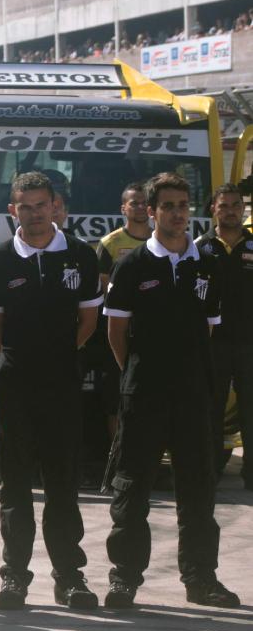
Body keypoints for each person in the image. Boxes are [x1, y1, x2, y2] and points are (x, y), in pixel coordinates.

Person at [101, 172, 239, 608]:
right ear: (151, 210)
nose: (177, 213)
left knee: (198, 491)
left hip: (194, 395)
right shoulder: (132, 266)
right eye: (168, 206)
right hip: (143, 394)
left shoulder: (207, 265)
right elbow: (116, 333)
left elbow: (209, 330)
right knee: (132, 489)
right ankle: (124, 579)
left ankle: (201, 580)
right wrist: (140, 375)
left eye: (183, 205)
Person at [0, 173, 102, 610]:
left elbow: (88, 322)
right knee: (14, 487)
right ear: (13, 211)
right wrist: (22, 359)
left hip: (62, 384)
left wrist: (60, 356)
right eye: (24, 206)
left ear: (56, 206)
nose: (33, 213)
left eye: (40, 204)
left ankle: (70, 578)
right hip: (15, 386)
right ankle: (14, 578)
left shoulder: (82, 256)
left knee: (63, 485)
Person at [196, 183, 253, 488]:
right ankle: (211, 469)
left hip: (249, 343)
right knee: (211, 408)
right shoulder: (199, 247)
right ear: (213, 209)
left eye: (236, 205)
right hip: (212, 343)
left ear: (243, 209)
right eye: (224, 205)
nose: (230, 210)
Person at [93, 182, 153, 441]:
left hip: (155, 330)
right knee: (117, 396)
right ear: (123, 208)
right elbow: (104, 289)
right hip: (121, 331)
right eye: (134, 203)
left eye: (143, 202)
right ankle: (117, 456)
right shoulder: (110, 243)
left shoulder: (161, 238)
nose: (139, 207)